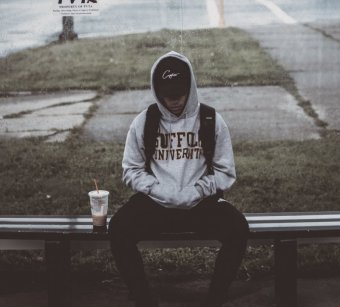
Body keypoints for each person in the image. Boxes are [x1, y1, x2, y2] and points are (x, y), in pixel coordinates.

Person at [109, 51, 249, 307]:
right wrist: (158, 190)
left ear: (191, 87)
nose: (173, 101)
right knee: (118, 228)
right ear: (157, 90)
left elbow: (226, 172)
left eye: (179, 94)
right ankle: (142, 297)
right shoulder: (145, 122)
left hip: (200, 203)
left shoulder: (211, 120)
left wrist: (197, 190)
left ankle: (216, 297)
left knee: (238, 228)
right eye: (167, 95)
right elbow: (130, 170)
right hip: (156, 203)